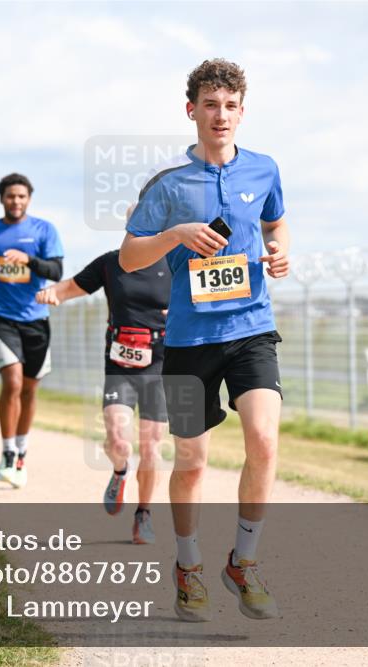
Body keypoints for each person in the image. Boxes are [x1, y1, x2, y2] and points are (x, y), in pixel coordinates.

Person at [119, 59, 290, 622]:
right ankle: (188, 566)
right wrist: (174, 234)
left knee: (264, 440)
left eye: (231, 106)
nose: (221, 115)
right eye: (210, 105)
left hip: (252, 329)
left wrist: (281, 251)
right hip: (191, 342)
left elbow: (275, 222)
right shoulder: (168, 185)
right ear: (191, 109)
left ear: (243, 111)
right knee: (192, 460)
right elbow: (128, 256)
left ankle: (244, 560)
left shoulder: (264, 170)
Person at [36, 249, 170, 544]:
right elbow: (71, 286)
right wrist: (50, 293)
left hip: (162, 361)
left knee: (151, 446)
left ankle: (143, 515)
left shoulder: (176, 261)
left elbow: (204, 298)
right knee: (119, 440)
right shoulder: (112, 263)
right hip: (120, 362)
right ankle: (120, 471)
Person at [0, 173, 64, 489]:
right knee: (13, 379)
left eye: (21, 196)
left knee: (30, 387)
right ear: (1, 198)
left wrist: (29, 260)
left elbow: (56, 270)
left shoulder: (44, 230)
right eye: (11, 196)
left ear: (29, 199)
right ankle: (7, 452)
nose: (16, 201)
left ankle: (21, 450)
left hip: (36, 317)